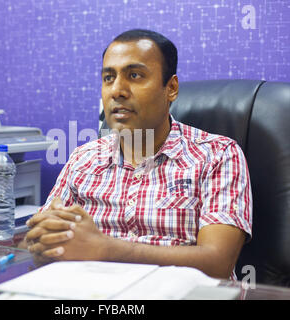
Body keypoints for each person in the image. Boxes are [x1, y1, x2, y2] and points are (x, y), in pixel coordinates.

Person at [20, 29, 252, 280]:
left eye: (134, 75)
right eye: (109, 78)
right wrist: (45, 239)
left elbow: (217, 262)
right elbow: (35, 243)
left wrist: (106, 249)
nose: (116, 91)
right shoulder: (82, 159)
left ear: (171, 88)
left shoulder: (217, 155)